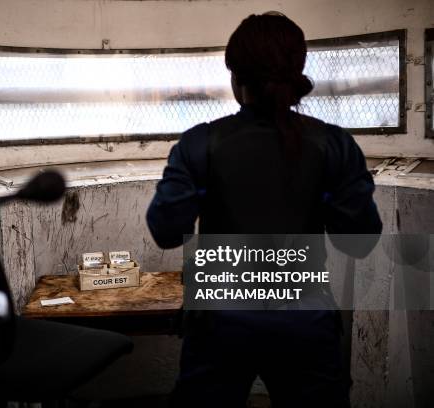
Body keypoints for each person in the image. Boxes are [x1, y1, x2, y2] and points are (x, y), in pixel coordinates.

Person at [146, 12, 382, 408]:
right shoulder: (333, 145)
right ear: (296, 72)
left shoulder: (200, 143)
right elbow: (359, 242)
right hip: (304, 322)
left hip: (219, 321)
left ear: (236, 79)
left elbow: (166, 230)